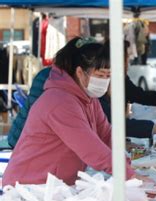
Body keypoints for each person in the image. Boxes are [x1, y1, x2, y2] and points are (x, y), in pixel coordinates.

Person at [2, 37, 136, 186]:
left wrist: (126, 164)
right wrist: (129, 175)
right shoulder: (59, 101)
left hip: (53, 186)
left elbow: (106, 135)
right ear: (80, 72)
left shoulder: (89, 99)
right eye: (100, 75)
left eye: (108, 76)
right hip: (29, 187)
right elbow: (91, 149)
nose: (104, 81)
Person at [8, 40, 156, 147]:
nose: (106, 77)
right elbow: (92, 136)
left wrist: (115, 147)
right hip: (29, 146)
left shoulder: (77, 85)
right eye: (102, 73)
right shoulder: (60, 90)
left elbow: (103, 127)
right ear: (82, 69)